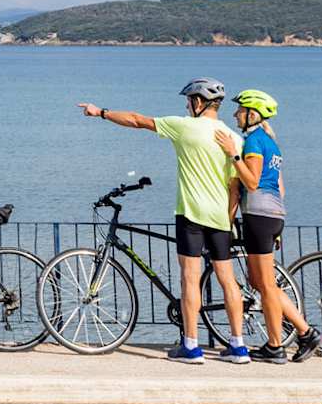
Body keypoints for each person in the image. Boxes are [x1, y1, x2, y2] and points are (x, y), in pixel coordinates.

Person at [81, 77, 250, 364]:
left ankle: (192, 346)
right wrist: (229, 218)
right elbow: (236, 187)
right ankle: (238, 346)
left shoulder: (184, 127)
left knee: (189, 278)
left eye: (188, 102)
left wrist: (101, 113)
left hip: (191, 214)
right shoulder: (235, 138)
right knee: (227, 280)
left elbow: (137, 120)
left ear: (198, 102)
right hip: (222, 217)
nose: (186, 107)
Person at [232, 90, 321, 363]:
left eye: (240, 110)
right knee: (260, 281)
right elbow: (280, 187)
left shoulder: (255, 142)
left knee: (267, 286)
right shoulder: (271, 142)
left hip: (258, 215)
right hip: (273, 215)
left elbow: (252, 182)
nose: (236, 114)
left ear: (253, 114)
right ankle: (306, 333)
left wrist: (233, 156)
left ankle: (275, 345)